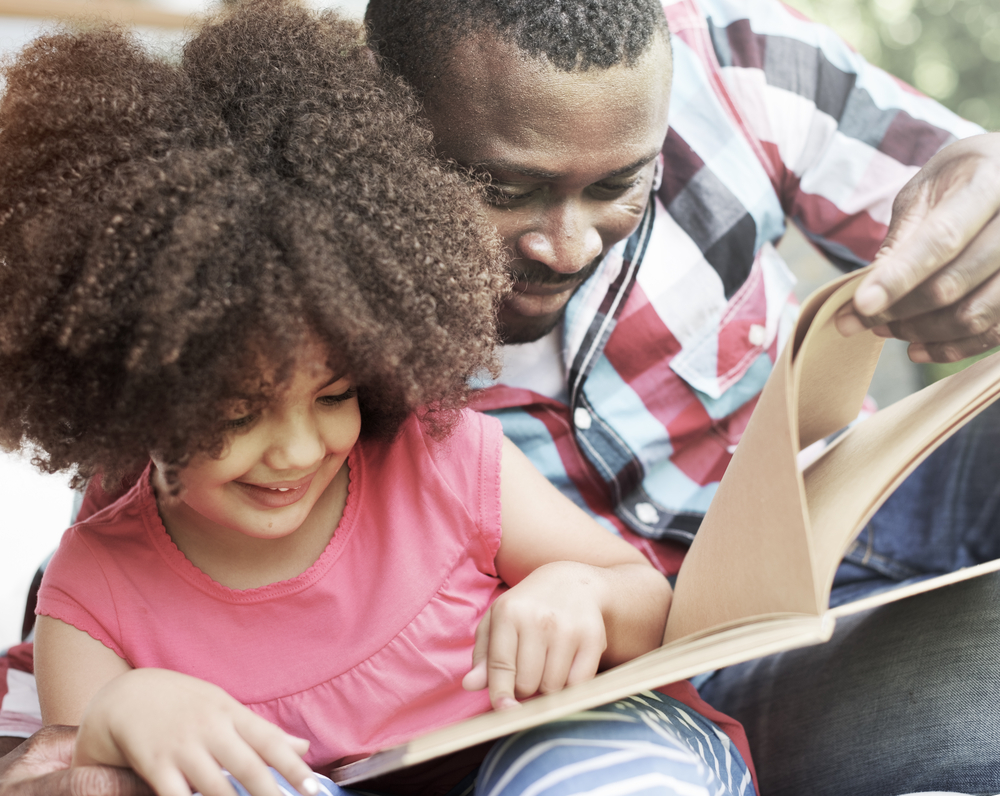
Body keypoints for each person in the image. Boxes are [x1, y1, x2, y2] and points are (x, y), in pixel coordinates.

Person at [4, 0, 1000, 793]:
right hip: (656, 688)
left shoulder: (731, 64)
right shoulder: (280, 305)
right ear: (375, 149)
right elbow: (111, 626)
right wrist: (87, 737)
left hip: (842, 525)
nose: (568, 246)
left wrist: (974, 213)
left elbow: (961, 174)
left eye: (621, 184)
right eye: (504, 187)